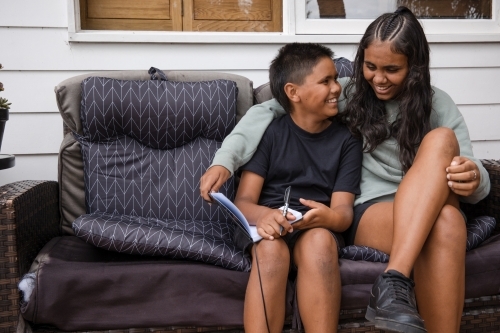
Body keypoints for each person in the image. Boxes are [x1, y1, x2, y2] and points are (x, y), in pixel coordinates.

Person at [200, 6, 491, 333]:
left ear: (415, 68)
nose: (378, 79)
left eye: (392, 69)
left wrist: (474, 177)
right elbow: (272, 109)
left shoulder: (439, 104)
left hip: (431, 203)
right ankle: (394, 284)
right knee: (449, 222)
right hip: (376, 213)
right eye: (370, 66)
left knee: (442, 141)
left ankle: (393, 279)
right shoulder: (350, 93)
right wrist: (225, 160)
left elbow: (477, 183)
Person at [231, 43, 362, 333]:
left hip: (315, 227)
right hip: (267, 226)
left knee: (321, 243)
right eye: (325, 81)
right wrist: (264, 216)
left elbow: (343, 211)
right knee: (271, 252)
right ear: (293, 92)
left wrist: (330, 218)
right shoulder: (271, 133)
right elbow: (243, 202)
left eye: (336, 78)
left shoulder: (347, 140)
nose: (336, 88)